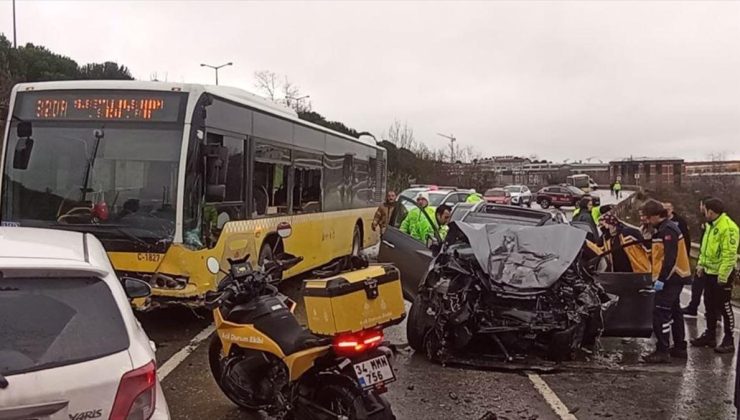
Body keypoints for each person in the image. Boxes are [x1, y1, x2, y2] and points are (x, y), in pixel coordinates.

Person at [641, 200, 691, 363]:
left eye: (648, 217)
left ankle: (662, 350)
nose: (647, 220)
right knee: (675, 312)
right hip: (674, 277)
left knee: (660, 313)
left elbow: (670, 258)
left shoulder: (667, 230)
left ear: (656, 215)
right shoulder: (661, 229)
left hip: (672, 277)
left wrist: (661, 279)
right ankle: (679, 347)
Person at [690, 198, 739, 354]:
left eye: (704, 209)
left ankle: (729, 339)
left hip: (722, 274)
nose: (703, 212)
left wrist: (723, 276)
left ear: (710, 211)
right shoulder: (711, 226)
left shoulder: (728, 228)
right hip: (709, 272)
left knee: (724, 306)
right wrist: (701, 265)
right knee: (709, 304)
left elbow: (729, 255)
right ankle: (710, 335)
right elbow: (705, 250)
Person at [682, 197, 714, 317]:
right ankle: (693, 307)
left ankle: (714, 314)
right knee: (697, 286)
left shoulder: (713, 223)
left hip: (711, 262)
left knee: (709, 291)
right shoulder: (704, 220)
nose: (700, 208)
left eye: (701, 205)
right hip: (703, 259)